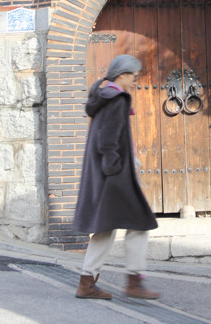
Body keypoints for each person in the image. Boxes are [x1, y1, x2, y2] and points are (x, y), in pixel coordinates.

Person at [73, 54, 161, 300]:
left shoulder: (104, 96)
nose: (134, 81)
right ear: (122, 75)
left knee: (105, 228)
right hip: (114, 174)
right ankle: (134, 282)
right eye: (133, 76)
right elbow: (108, 138)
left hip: (105, 174)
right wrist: (115, 169)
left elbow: (105, 135)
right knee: (140, 223)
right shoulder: (118, 98)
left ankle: (87, 283)